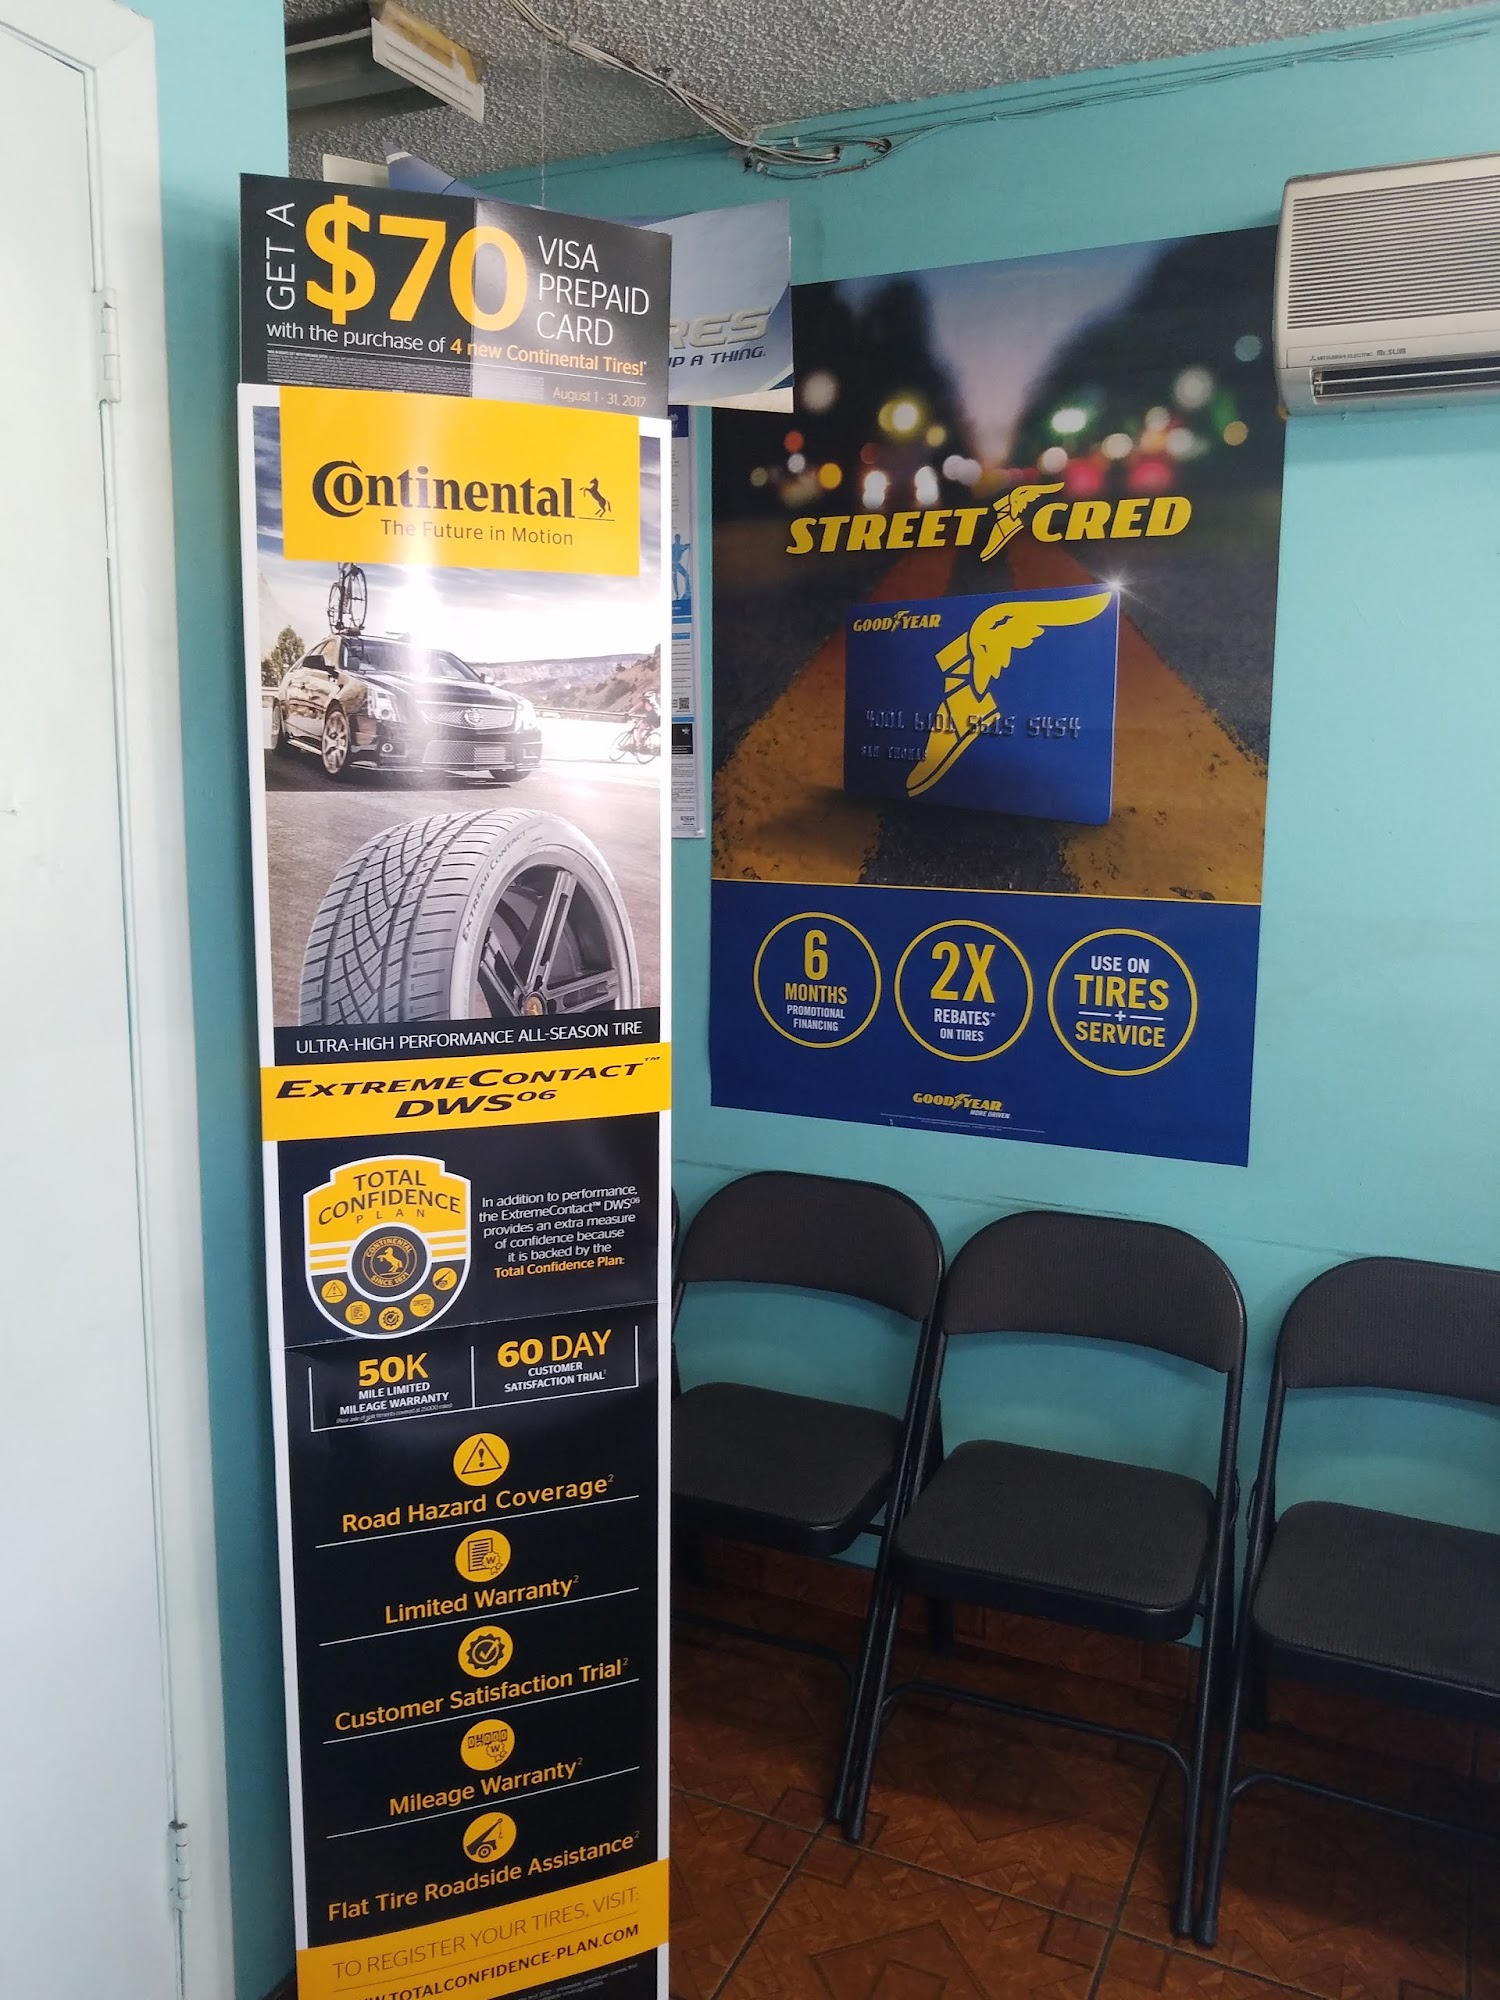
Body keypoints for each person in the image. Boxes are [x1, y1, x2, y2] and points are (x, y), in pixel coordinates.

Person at [628, 686, 660, 753]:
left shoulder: (645, 701)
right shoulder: (654, 701)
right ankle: (644, 741)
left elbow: (636, 707)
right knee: (648, 728)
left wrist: (628, 712)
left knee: (640, 730)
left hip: (653, 714)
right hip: (659, 716)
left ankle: (637, 747)